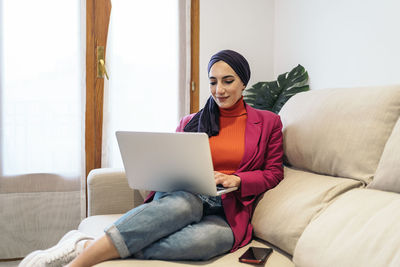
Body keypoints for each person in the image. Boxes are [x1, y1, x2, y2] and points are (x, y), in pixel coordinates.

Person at [20, 49, 284, 267]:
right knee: (185, 206)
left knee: (205, 242)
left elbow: (274, 173)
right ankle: (79, 264)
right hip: (184, 196)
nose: (219, 90)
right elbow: (170, 161)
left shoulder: (268, 122)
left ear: (243, 82)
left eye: (228, 81)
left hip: (228, 209)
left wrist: (236, 179)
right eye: (213, 81)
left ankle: (86, 245)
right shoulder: (191, 122)